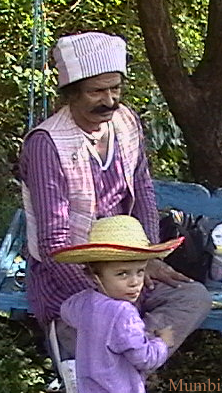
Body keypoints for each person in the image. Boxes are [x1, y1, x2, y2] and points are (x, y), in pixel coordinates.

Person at [18, 32, 212, 358]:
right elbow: (54, 244)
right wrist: (106, 301)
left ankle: (130, 355)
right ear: (71, 94)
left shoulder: (126, 123)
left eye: (115, 88)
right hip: (73, 277)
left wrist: (147, 258)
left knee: (194, 297)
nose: (109, 100)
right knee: (98, 324)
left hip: (128, 268)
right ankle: (119, 357)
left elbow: (144, 190)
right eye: (96, 91)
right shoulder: (46, 144)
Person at [52, 215, 182, 393]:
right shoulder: (123, 313)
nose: (134, 282)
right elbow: (144, 358)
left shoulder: (84, 302)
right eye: (122, 274)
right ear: (95, 275)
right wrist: (162, 343)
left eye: (140, 272)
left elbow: (66, 310)